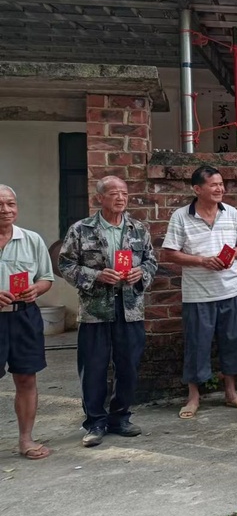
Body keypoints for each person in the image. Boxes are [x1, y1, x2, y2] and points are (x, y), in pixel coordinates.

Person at [58, 176, 158, 447]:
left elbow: (151, 261)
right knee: (93, 367)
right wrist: (96, 275)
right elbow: (65, 264)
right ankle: (95, 422)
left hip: (130, 308)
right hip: (95, 310)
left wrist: (141, 273)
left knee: (128, 366)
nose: (120, 198)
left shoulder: (138, 228)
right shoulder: (81, 229)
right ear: (99, 198)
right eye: (113, 193)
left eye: (124, 193)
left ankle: (120, 417)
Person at [162, 165, 237, 419]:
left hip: (230, 289)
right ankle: (193, 397)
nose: (220, 189)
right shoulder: (181, 216)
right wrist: (202, 261)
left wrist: (232, 254)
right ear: (197, 189)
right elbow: (170, 253)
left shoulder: (231, 212)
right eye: (214, 185)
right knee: (197, 345)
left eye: (221, 184)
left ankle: (231, 393)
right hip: (198, 293)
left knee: (232, 341)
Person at [0, 185, 55, 460]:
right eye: (0, 205)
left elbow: (46, 277)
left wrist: (37, 289)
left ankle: (26, 439)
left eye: (10, 204)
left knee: (25, 377)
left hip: (24, 316)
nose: (5, 210)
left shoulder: (31, 239)